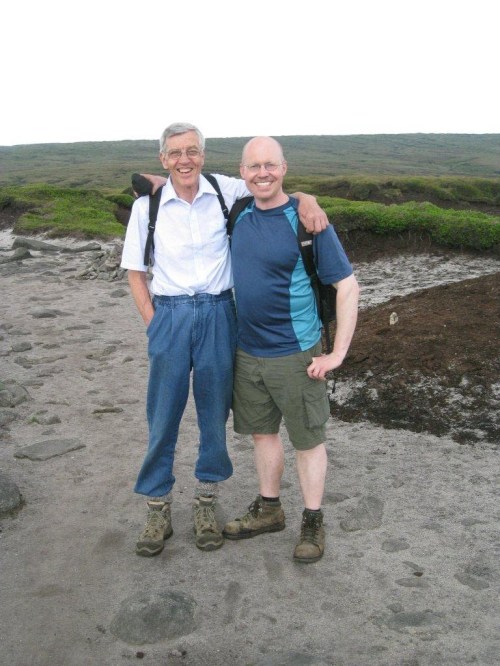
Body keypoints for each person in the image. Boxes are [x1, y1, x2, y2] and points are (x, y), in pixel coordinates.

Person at [120, 122, 329, 557]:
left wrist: (308, 199)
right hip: (170, 314)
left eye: (192, 151)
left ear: (203, 154)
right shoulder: (147, 208)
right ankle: (157, 507)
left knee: (213, 415)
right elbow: (135, 273)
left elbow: (270, 186)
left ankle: (206, 503)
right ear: (163, 159)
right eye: (175, 153)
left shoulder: (225, 189)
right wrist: (153, 324)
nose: (184, 160)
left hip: (219, 313)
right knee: (163, 415)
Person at [223, 136, 360, 563]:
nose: (262, 173)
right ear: (242, 172)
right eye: (254, 166)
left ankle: (313, 520)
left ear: (284, 168)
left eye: (271, 165)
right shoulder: (238, 212)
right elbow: (171, 180)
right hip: (248, 352)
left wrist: (337, 354)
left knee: (307, 440)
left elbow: (348, 286)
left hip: (297, 353)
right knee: (262, 434)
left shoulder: (308, 223)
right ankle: (269, 509)